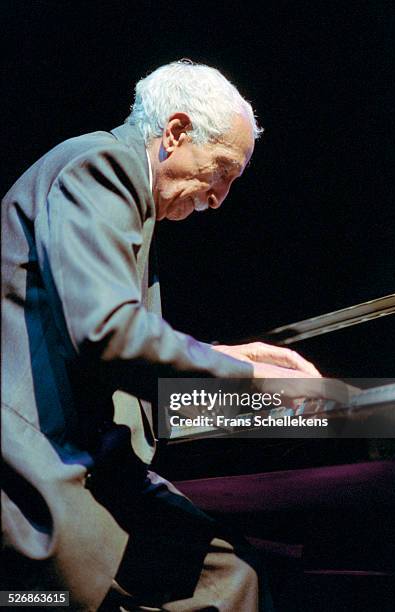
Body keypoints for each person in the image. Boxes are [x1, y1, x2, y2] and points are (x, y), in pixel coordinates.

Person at [2, 60, 322, 611]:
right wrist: (253, 381)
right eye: (221, 170)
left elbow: (107, 339)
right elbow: (109, 334)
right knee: (228, 579)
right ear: (175, 133)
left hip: (81, 461)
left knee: (233, 573)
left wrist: (222, 357)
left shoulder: (127, 193)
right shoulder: (101, 166)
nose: (220, 197)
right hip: (34, 471)